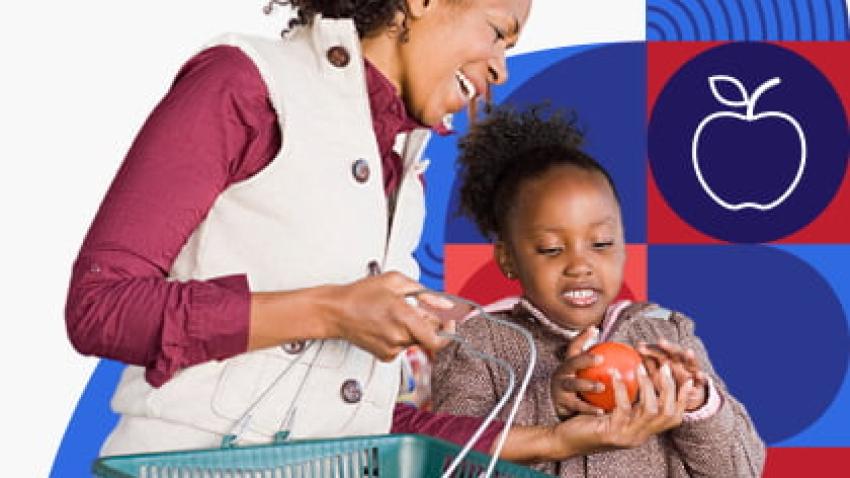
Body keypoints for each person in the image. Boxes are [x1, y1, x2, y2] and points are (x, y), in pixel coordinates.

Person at [65, 0, 638, 465]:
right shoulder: (245, 84)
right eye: (496, 32)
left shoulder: (402, 175)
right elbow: (100, 305)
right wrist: (332, 311)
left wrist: (554, 441)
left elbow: (360, 424)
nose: (501, 67)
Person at [430, 105, 766, 476]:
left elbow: (742, 470)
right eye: (552, 249)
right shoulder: (477, 345)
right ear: (508, 258)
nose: (580, 265)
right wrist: (550, 402)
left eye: (601, 243)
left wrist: (697, 405)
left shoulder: (666, 333)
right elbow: (451, 464)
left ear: (624, 245)